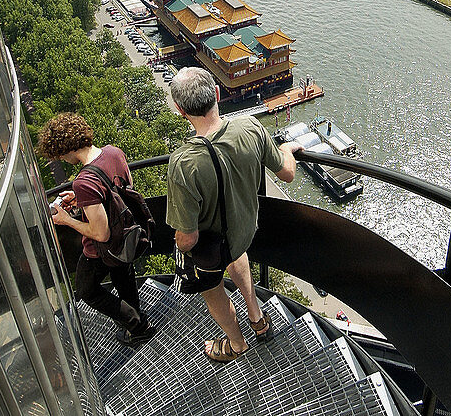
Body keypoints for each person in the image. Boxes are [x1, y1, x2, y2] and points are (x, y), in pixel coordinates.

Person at [166, 67, 297, 363]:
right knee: (238, 257)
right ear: (217, 93)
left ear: (179, 109)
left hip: (213, 249)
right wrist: (287, 149)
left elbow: (188, 237)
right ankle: (257, 317)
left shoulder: (183, 163)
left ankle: (236, 344)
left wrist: (178, 245)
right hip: (245, 232)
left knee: (213, 292)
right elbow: (286, 173)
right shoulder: (250, 127)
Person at [37, 113, 156, 346]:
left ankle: (137, 325)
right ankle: (137, 322)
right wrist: (81, 199)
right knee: (124, 276)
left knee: (87, 291)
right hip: (127, 235)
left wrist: (66, 220)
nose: (61, 158)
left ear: (66, 147)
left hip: (101, 250)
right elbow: (119, 189)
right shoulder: (113, 152)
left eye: (59, 153)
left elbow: (100, 234)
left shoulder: (84, 181)